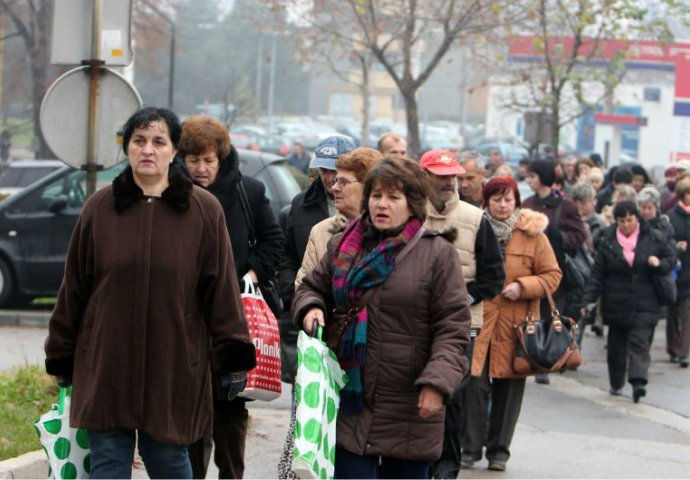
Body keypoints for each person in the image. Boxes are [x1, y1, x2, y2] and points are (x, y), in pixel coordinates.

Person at [44, 107, 256, 479]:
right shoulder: (100, 207)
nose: (148, 149)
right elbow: (74, 287)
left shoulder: (203, 210)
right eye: (139, 140)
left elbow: (220, 288)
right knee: (108, 463)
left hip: (173, 365)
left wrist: (233, 351)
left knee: (171, 464)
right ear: (126, 148)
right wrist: (61, 352)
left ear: (174, 151)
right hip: (107, 363)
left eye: (159, 141)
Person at [293, 157, 471, 479]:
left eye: (393, 197)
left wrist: (437, 383)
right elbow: (310, 287)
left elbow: (453, 327)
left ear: (413, 203)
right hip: (349, 399)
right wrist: (311, 307)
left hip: (410, 405)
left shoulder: (438, 254)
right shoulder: (344, 244)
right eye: (376, 195)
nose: (382, 204)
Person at [179, 115, 284, 479]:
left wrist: (251, 274)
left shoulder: (247, 192)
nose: (202, 168)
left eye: (209, 160)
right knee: (189, 407)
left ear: (221, 158)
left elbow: (273, 241)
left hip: (233, 317)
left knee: (230, 406)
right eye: (193, 160)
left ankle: (231, 475)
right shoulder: (173, 195)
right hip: (186, 317)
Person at [278, 147, 382, 479]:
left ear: (369, 187)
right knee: (311, 450)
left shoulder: (398, 240)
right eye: (333, 181)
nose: (333, 188)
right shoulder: (324, 232)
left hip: (373, 362)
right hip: (325, 359)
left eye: (344, 182)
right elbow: (304, 283)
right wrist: (310, 307)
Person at [462, 176, 562, 472]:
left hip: (517, 324)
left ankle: (499, 452)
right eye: (497, 200)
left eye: (508, 200)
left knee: (509, 389)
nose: (503, 206)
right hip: (480, 320)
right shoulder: (476, 228)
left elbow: (552, 275)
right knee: (473, 384)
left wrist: (523, 286)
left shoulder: (533, 234)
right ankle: (469, 447)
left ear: (516, 201)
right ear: (486, 202)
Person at [420, 150, 505, 479]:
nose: (449, 182)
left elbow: (494, 276)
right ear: (425, 177)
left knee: (452, 395)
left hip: (463, 323)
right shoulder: (411, 215)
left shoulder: (475, 218)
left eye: (453, 176)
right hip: (415, 320)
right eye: (441, 176)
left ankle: (447, 468)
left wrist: (464, 296)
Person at [278, 135, 356, 383]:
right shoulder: (300, 206)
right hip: (310, 313)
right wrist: (295, 295)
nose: (329, 177)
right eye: (324, 169)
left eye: (335, 170)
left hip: (348, 316)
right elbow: (286, 256)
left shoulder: (367, 209)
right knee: (306, 400)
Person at [583, 201, 676, 402]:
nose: (626, 225)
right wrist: (588, 301)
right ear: (616, 221)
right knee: (616, 346)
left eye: (630, 220)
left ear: (637, 218)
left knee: (639, 342)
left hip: (646, 300)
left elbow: (671, 258)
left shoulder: (652, 237)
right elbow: (597, 274)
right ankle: (616, 383)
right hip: (616, 300)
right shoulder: (608, 241)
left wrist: (658, 263)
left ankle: (638, 382)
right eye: (622, 221)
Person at [522, 159, 589, 385]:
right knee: (534, 314)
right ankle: (535, 356)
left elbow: (580, 234)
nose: (529, 180)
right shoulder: (528, 203)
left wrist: (559, 239)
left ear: (543, 177)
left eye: (533, 176)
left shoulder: (565, 204)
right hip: (530, 268)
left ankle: (547, 362)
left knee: (551, 317)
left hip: (556, 269)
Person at [666, 176, 690, 368]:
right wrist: (676, 246)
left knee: (687, 312)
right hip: (675, 270)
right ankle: (673, 348)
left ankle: (683, 352)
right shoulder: (672, 216)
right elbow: (666, 242)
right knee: (673, 312)